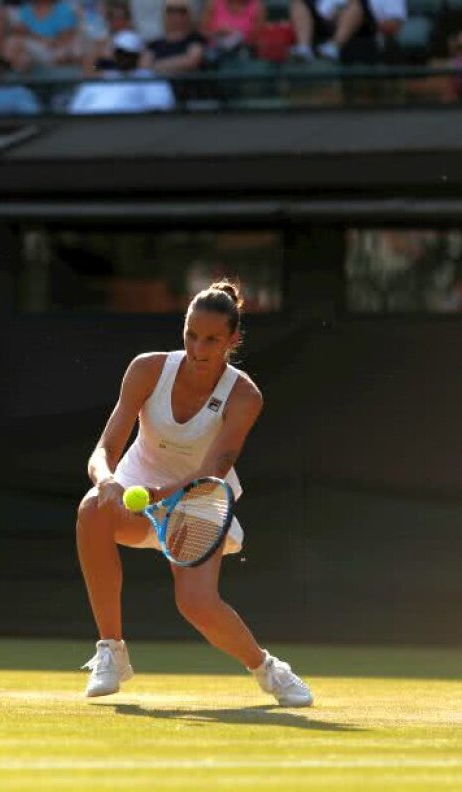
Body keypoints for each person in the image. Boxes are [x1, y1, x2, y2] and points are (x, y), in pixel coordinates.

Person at [75, 280, 314, 707]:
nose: (199, 348)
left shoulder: (244, 396)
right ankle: (111, 650)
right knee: (92, 508)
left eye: (212, 339)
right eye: (191, 335)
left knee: (196, 604)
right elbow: (104, 449)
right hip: (138, 485)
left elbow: (212, 472)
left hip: (200, 499)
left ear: (233, 339)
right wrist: (109, 480)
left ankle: (267, 669)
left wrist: (161, 494)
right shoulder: (147, 369)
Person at [67, 29, 174, 112]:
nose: (124, 58)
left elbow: (160, 111)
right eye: (120, 53)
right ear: (114, 55)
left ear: (138, 56)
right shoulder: (103, 76)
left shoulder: (149, 79)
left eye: (129, 54)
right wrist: (97, 52)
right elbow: (75, 109)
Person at [287, 0, 404, 62]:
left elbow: (394, 24)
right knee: (299, 3)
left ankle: (333, 47)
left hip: (364, 36)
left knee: (355, 6)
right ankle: (303, 48)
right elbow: (323, 11)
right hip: (323, 32)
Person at [5, 0, 81, 72]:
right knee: (16, 47)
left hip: (56, 51)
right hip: (33, 50)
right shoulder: (25, 10)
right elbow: (19, 33)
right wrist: (41, 40)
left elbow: (64, 40)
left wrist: (32, 35)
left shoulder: (64, 10)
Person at [142, 0, 205, 75]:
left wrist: (156, 66)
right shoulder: (155, 44)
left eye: (182, 11)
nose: (176, 15)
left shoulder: (195, 39)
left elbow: (192, 61)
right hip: (157, 84)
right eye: (171, 11)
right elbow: (144, 66)